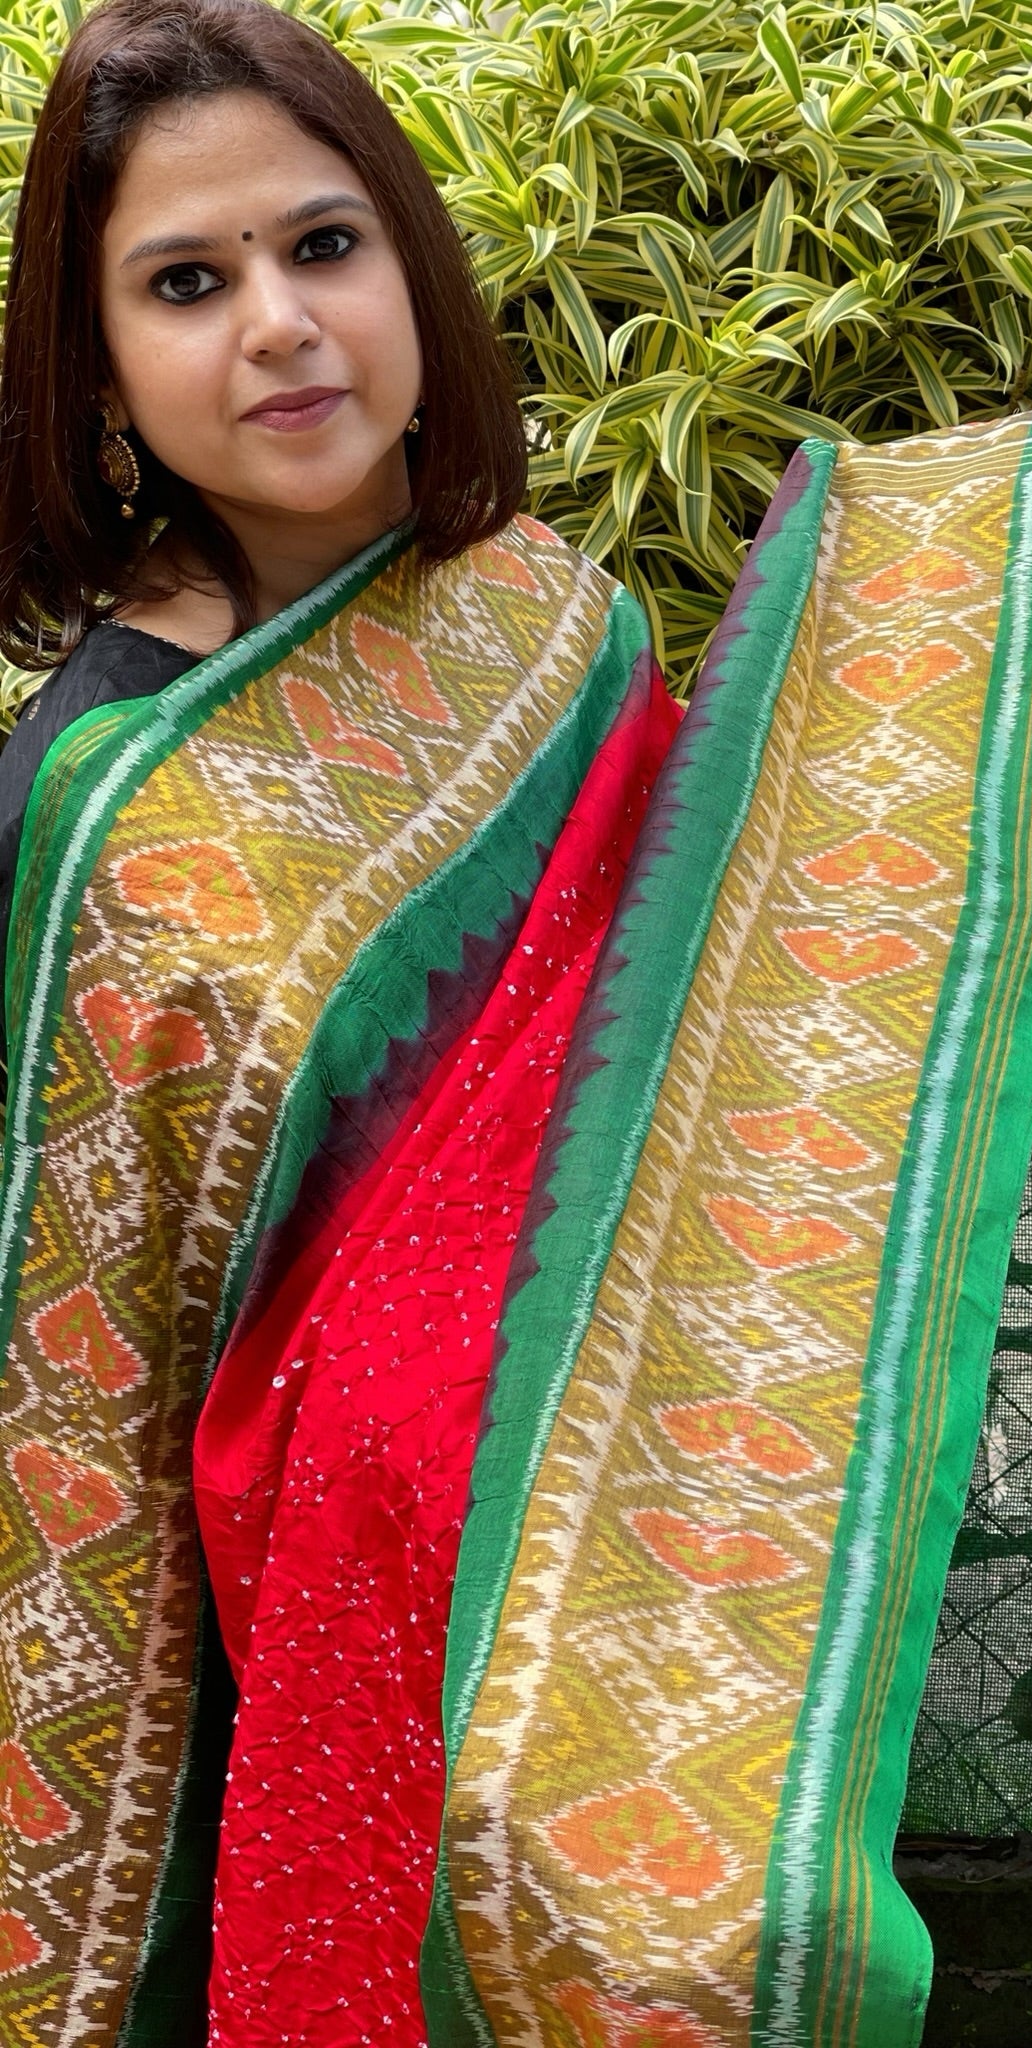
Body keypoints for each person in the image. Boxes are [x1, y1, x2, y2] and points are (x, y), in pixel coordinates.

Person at [0, 4, 677, 2042]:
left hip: (632, 1593)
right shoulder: (105, 797)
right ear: (103, 374)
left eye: (322, 247)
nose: (278, 325)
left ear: (411, 273)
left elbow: (671, 1045)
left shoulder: (558, 616)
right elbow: (69, 1387)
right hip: (276, 1708)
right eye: (186, 285)